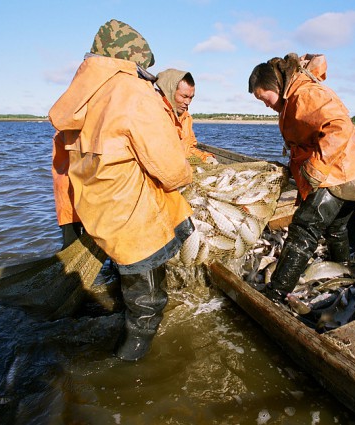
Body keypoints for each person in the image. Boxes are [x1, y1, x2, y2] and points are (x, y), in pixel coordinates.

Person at [49, 19, 195, 361]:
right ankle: (126, 373)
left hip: (100, 212)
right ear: (133, 59)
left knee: (131, 284)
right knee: (148, 307)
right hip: (134, 219)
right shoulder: (131, 92)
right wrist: (184, 175)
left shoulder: (84, 93)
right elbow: (170, 168)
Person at [248, 52, 355, 303]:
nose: (266, 105)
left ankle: (276, 293)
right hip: (352, 170)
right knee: (336, 227)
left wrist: (315, 171)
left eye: (265, 98)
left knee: (303, 229)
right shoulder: (293, 96)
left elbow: (339, 126)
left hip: (339, 172)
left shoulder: (305, 93)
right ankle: (343, 272)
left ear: (275, 85)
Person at [155, 69, 218, 165]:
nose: (188, 102)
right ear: (170, 92)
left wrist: (205, 158)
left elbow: (188, 149)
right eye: (184, 96)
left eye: (191, 97)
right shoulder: (152, 112)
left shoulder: (186, 117)